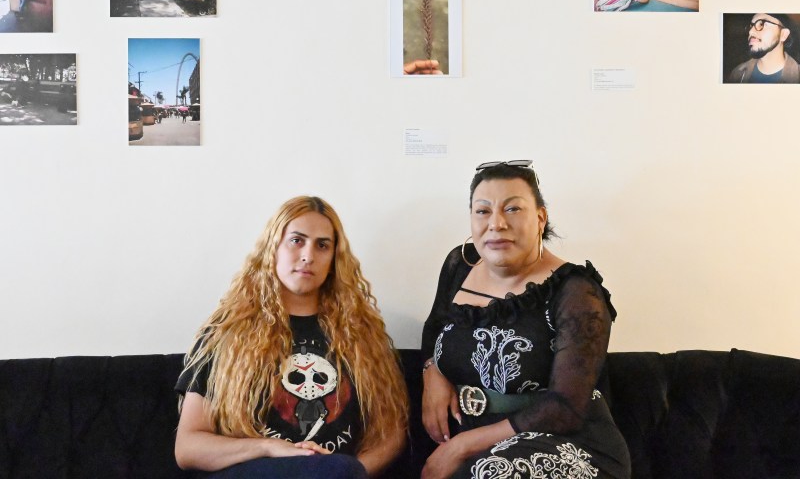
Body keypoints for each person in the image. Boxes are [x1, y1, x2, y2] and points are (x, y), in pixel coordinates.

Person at [420, 161, 631, 479]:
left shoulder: (576, 291)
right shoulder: (459, 265)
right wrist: (432, 373)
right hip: (475, 439)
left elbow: (565, 409)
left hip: (566, 443)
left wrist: (461, 447)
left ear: (540, 218)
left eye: (513, 209)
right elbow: (435, 328)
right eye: (483, 211)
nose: (497, 223)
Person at [175, 196, 408, 478]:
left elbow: (391, 435)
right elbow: (187, 448)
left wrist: (347, 471)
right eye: (297, 240)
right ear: (273, 248)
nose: (308, 255)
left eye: (322, 245)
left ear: (334, 259)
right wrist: (268, 448)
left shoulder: (363, 334)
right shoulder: (226, 332)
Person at [727, 13, 800, 83]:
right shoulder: (737, 74)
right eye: (751, 26)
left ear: (783, 34)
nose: (751, 32)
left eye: (762, 24)